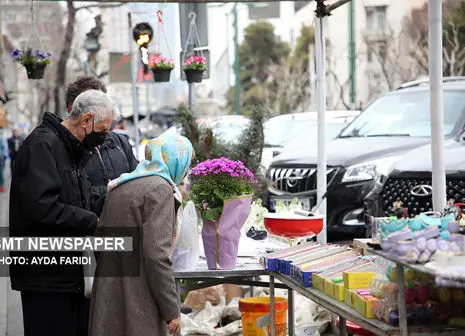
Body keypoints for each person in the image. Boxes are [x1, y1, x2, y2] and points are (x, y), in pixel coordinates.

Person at [9, 89, 117, 336]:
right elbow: (41, 206)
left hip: (65, 273)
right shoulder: (43, 145)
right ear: (86, 120)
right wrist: (92, 221)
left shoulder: (68, 147)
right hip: (45, 275)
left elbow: (78, 195)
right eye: (102, 129)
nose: (104, 136)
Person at [89, 133, 194, 336]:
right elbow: (156, 255)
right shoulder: (160, 189)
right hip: (139, 298)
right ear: (176, 161)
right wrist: (171, 309)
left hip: (108, 294)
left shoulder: (122, 184)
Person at [64, 76, 138, 216]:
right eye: (94, 103)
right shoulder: (66, 148)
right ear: (73, 109)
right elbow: (77, 196)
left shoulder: (119, 142)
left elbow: (137, 178)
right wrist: (119, 193)